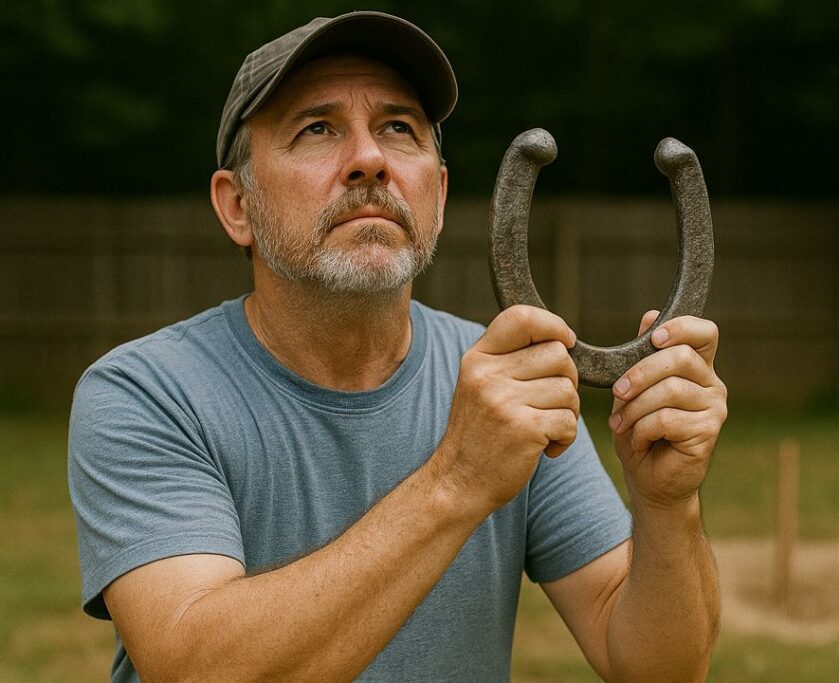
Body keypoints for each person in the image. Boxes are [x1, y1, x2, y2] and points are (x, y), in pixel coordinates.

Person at [68, 11, 727, 682]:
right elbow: (193, 668)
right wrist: (458, 482)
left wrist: (666, 506)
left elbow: (658, 667)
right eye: (317, 128)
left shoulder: (507, 384)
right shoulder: (145, 392)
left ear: (437, 197)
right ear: (236, 204)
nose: (369, 159)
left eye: (398, 128)